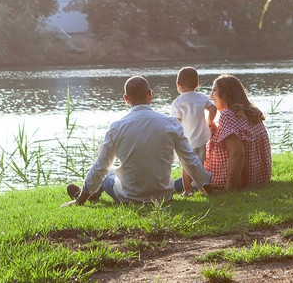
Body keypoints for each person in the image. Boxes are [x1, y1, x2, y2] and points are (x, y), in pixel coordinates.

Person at [66, 75, 212, 205]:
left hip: (129, 197)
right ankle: (89, 194)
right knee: (179, 177)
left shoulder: (116, 128)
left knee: (107, 172)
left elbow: (100, 168)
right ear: (150, 95)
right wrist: (208, 188)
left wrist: (79, 201)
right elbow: (190, 160)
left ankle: (85, 195)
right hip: (163, 196)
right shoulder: (172, 124)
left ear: (126, 99)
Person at [206, 74, 272, 191]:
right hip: (257, 179)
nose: (211, 96)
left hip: (230, 183)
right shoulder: (249, 112)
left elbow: (237, 153)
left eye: (215, 91)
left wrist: (229, 188)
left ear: (226, 94)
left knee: (182, 181)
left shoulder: (228, 115)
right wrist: (217, 133)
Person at [170, 66, 217, 195]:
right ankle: (202, 188)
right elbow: (213, 109)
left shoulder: (177, 103)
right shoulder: (201, 98)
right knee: (199, 165)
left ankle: (188, 191)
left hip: (186, 141)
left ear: (178, 85)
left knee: (187, 167)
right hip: (202, 138)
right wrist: (209, 122)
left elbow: (176, 122)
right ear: (197, 84)